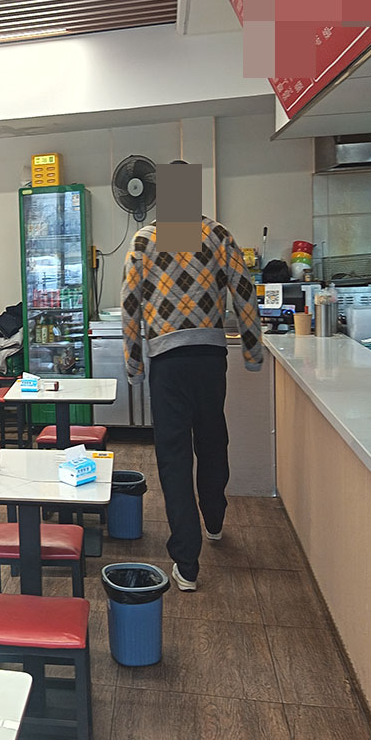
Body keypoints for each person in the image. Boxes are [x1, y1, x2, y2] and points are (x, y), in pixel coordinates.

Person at [121, 214, 262, 592]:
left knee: (174, 458)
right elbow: (244, 290)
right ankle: (214, 520)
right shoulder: (217, 234)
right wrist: (253, 350)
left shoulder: (144, 240)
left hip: (167, 364)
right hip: (210, 359)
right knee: (213, 440)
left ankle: (187, 563)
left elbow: (130, 306)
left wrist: (134, 365)